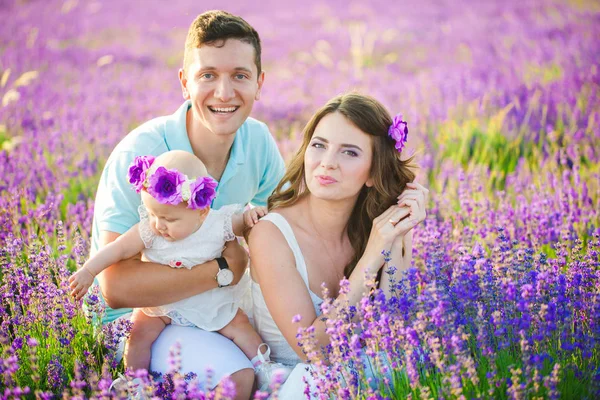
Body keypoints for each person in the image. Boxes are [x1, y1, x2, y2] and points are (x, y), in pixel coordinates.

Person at [88, 10, 284, 399]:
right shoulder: (142, 154)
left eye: (240, 75)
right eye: (208, 75)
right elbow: (116, 287)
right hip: (140, 322)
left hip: (216, 306)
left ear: (259, 83)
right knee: (241, 380)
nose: (225, 93)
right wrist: (225, 269)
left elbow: (290, 225)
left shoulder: (257, 142)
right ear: (184, 82)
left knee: (301, 356)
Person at [247, 93, 429, 398]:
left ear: (373, 172)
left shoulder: (375, 228)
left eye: (349, 153)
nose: (327, 163)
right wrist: (373, 255)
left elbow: (394, 330)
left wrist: (399, 232)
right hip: (294, 385)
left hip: (356, 376)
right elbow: (315, 351)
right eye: (319, 145)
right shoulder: (271, 234)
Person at [72, 151, 290, 395]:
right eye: (152, 214)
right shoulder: (149, 231)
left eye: (168, 218)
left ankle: (265, 368)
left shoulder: (217, 223)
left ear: (201, 211)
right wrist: (89, 270)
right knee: (138, 333)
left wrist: (251, 216)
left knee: (240, 326)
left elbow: (241, 222)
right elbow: (117, 249)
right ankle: (135, 382)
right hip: (163, 304)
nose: (158, 224)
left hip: (208, 301)